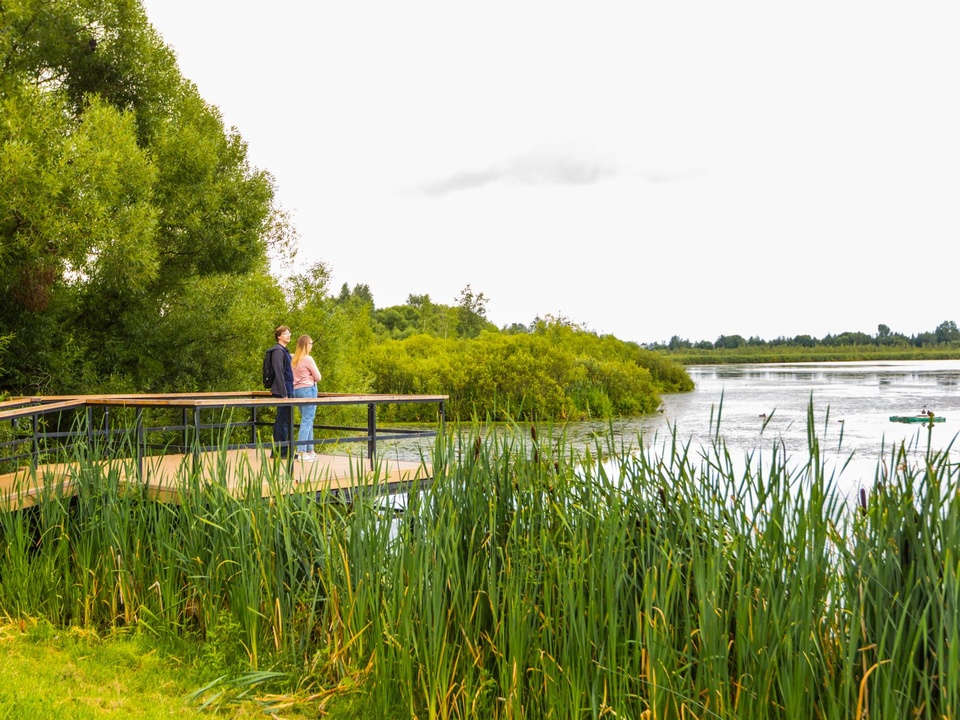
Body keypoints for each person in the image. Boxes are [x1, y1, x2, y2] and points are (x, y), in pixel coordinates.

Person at [292, 334, 323, 461]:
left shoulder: (293, 358)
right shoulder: (308, 359)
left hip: (296, 391)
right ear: (305, 345)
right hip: (308, 390)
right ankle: (301, 452)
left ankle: (310, 450)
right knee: (307, 421)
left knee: (307, 420)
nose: (312, 346)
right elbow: (318, 377)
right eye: (310, 343)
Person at [267, 325, 295, 458]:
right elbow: (279, 372)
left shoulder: (282, 351)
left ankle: (278, 451)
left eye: (289, 333)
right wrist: (284, 394)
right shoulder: (278, 351)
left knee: (282, 420)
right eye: (285, 333)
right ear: (279, 336)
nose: (288, 335)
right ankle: (282, 452)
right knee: (283, 421)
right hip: (283, 391)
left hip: (286, 389)